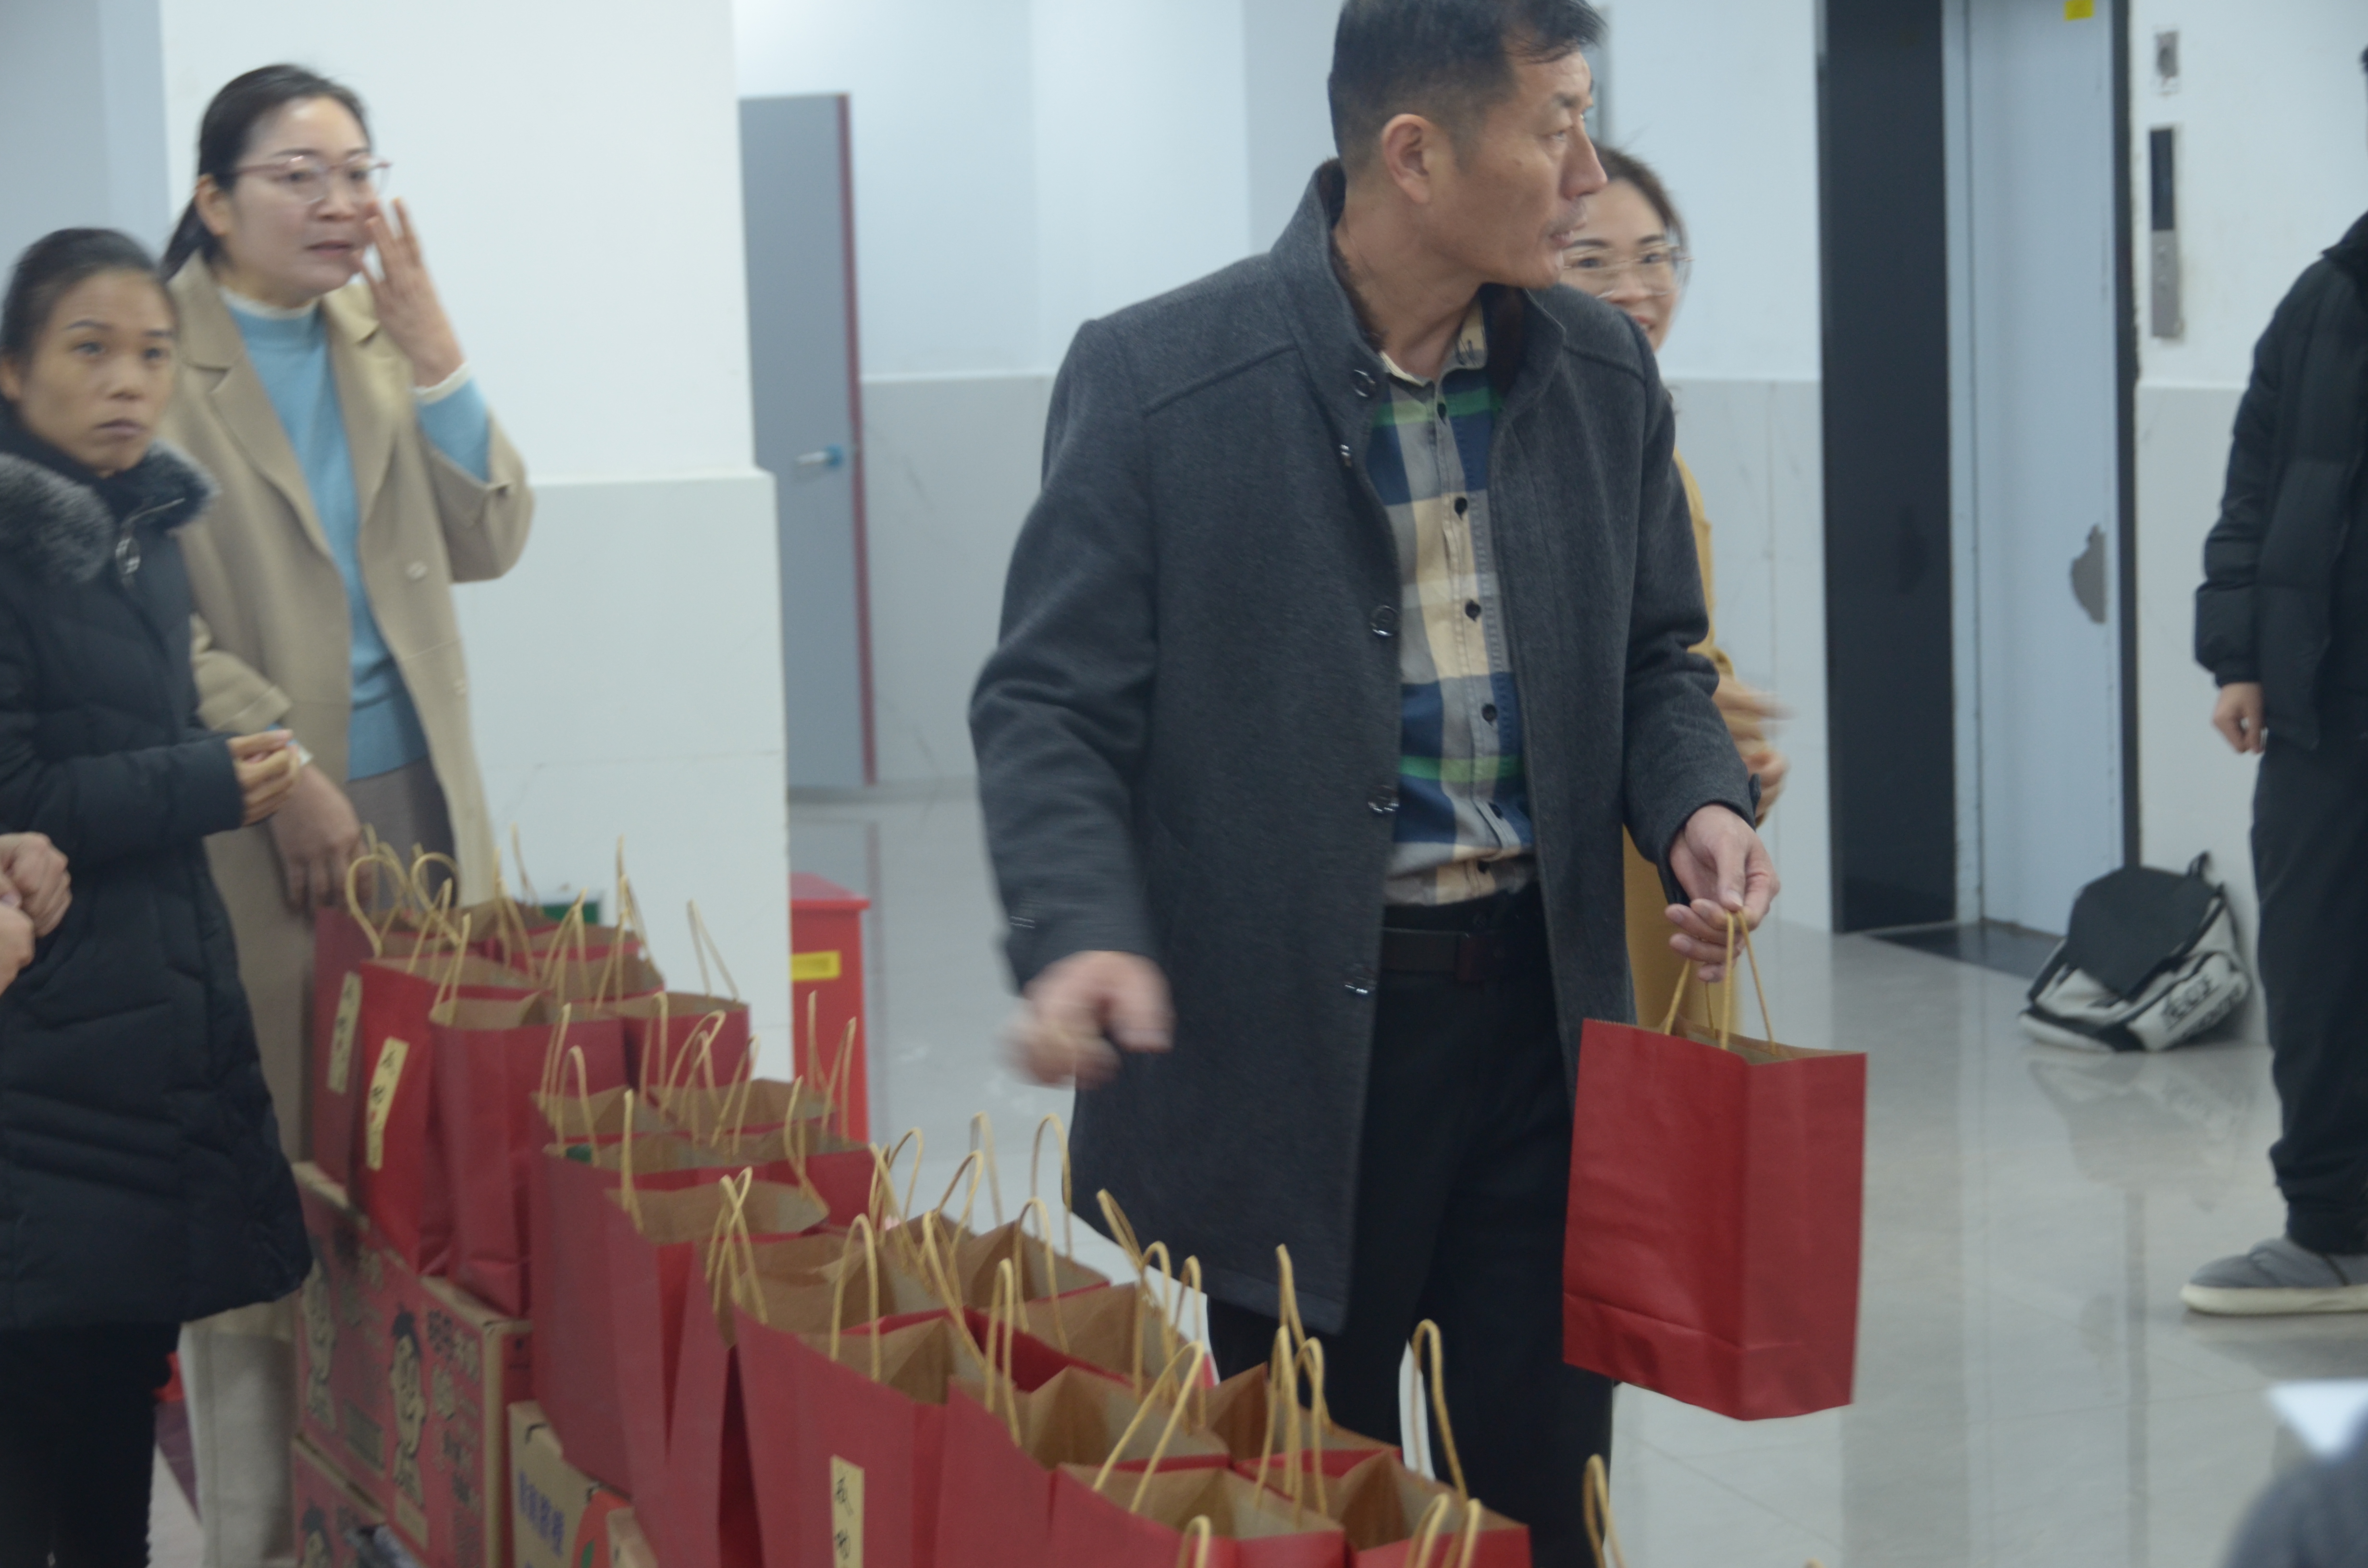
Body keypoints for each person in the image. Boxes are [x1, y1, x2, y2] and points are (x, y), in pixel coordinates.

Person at [971, 2, 1775, 1559]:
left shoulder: (1597, 372)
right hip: (1297, 1049)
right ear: (1414, 154)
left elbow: (1655, 658)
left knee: (1542, 1502)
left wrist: (1698, 804)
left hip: (1542, 1031)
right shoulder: (1162, 381)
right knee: (1312, 1504)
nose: (1586, 174)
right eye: (1552, 127)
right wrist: (1079, 926)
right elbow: (1049, 706)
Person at [155, 64, 534, 1566]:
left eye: (359, 172)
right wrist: (278, 763)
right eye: (300, 175)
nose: (340, 204)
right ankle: (255, 1529)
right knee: (268, 1181)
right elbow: (147, 626)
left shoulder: (379, 339)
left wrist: (441, 360)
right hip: (253, 824)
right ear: (214, 199)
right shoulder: (160, 356)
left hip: (420, 806)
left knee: (417, 1169)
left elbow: (494, 535)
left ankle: (387, 1502)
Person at [0, 227, 310, 1568]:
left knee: (117, 1378)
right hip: (45, 1027)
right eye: (90, 350)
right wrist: (202, 781)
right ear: (14, 370)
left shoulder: (144, 532)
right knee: (37, 1391)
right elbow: (18, 794)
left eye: (152, 353)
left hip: (143, 1014)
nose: (128, 381)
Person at [2186, 133, 2368, 1316]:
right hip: (2324, 707)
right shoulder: (2326, 297)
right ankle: (2335, 1230)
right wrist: (2239, 655)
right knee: (2316, 970)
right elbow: (2251, 485)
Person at [1559, 146, 1788, 1027]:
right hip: (1608, 834)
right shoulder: (1556, 451)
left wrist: (1719, 753)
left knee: (1669, 1070)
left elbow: (1667, 645)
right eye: (1592, 260)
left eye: (1655, 256)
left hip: (1672, 817)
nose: (1636, 288)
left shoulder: (1647, 438)